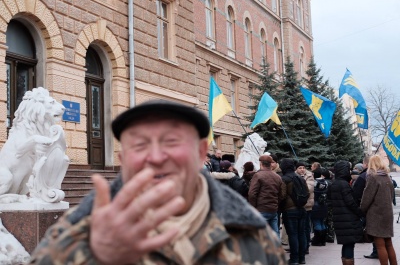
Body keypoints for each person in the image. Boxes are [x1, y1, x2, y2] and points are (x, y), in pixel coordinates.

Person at [29, 100, 286, 264]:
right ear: (124, 159)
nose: (155, 156)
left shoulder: (250, 232)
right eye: (139, 145)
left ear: (199, 153)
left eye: (171, 141)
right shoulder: (78, 228)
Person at [360, 155, 397, 265]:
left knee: (380, 244)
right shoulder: (387, 177)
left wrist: (362, 209)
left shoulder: (373, 177)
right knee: (388, 243)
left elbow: (367, 197)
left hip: (376, 214)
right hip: (387, 213)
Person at [327, 160, 364, 265]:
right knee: (349, 244)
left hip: (339, 218)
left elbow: (329, 202)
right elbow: (350, 202)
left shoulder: (334, 183)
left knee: (346, 244)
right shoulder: (344, 184)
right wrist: (360, 212)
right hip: (348, 218)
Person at [248, 155, 285, 236]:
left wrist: (253, 208)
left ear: (261, 163)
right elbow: (281, 194)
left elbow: (252, 194)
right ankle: (276, 248)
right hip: (273, 210)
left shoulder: (258, 175)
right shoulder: (277, 176)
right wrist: (275, 204)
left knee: (261, 235)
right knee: (275, 233)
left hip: (261, 209)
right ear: (270, 164)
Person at [280, 158, 308, 265]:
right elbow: (307, 193)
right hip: (302, 209)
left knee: (293, 235)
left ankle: (294, 259)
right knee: (301, 234)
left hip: (289, 210)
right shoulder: (301, 178)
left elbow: (282, 195)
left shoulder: (284, 179)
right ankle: (302, 258)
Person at [352, 155, 378, 260]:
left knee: (371, 231)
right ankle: (377, 250)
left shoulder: (364, 176)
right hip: (379, 209)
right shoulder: (381, 175)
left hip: (367, 208)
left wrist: (360, 208)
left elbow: (357, 194)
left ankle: (376, 251)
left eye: (363, 163)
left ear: (366, 164)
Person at [295, 161, 314, 254]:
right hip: (296, 205)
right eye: (299, 168)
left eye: (303, 167)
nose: (302, 169)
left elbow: (309, 188)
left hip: (307, 205)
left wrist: (301, 183)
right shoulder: (294, 176)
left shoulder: (309, 176)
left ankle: (306, 246)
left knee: (306, 226)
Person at [310, 168, 328, 247]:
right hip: (323, 205)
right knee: (321, 222)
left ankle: (317, 240)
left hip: (315, 205)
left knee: (316, 222)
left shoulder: (314, 183)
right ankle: (323, 240)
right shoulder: (326, 182)